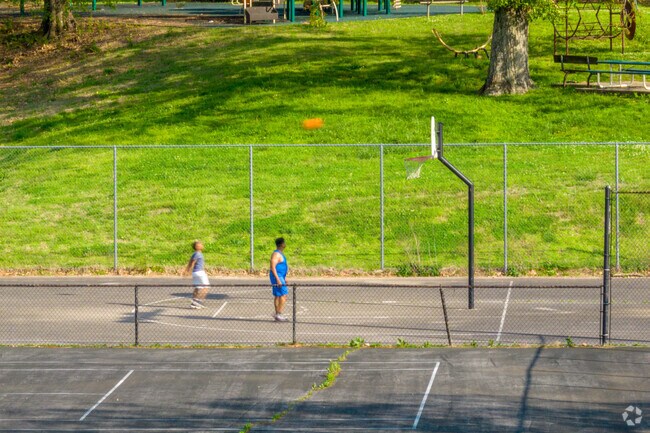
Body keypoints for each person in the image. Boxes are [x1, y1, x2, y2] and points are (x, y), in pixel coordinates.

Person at [186, 240, 209, 309]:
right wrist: (189, 270)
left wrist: (187, 270)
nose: (202, 245)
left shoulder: (195, 253)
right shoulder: (198, 254)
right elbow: (193, 262)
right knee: (206, 287)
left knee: (197, 287)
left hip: (196, 272)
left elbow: (190, 261)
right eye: (200, 244)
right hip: (199, 272)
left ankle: (193, 303)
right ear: (197, 247)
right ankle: (198, 302)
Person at [270, 237, 289, 322]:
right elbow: (272, 267)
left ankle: (277, 313)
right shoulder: (276, 254)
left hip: (281, 276)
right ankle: (279, 313)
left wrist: (285, 277)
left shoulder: (280, 253)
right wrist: (278, 279)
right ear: (281, 244)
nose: (285, 244)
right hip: (277, 276)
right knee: (283, 295)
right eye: (284, 243)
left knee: (278, 295)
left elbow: (282, 267)